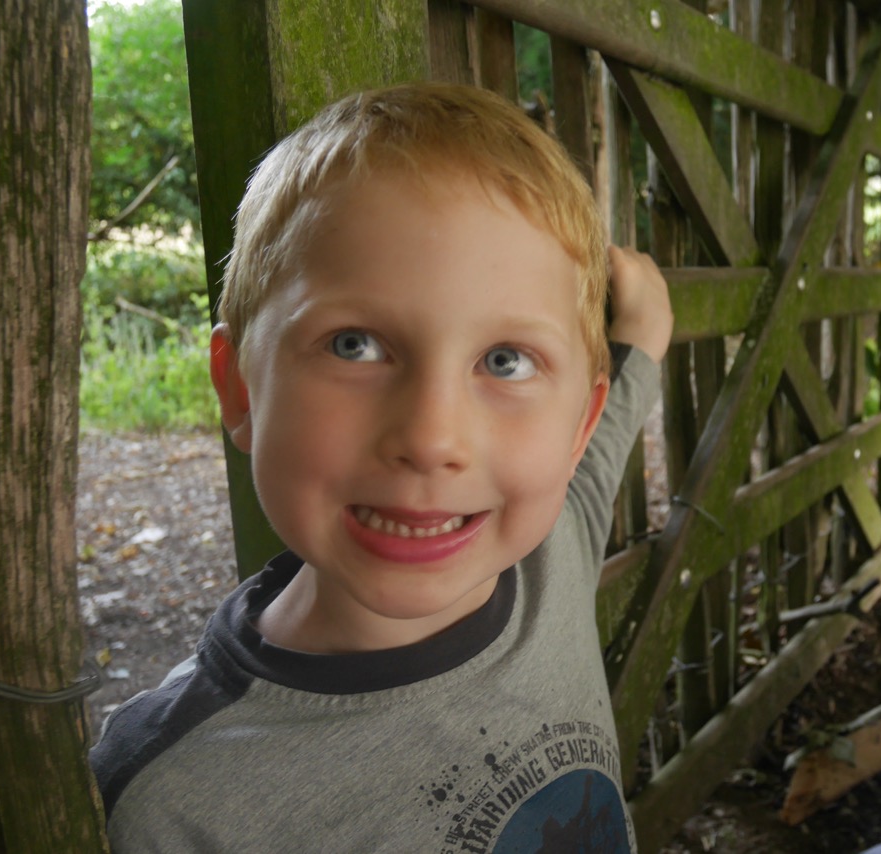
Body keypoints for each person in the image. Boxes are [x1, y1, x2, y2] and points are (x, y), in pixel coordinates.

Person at [88, 82, 673, 852]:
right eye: (354, 345)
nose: (431, 438)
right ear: (240, 390)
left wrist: (643, 329)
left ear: (578, 428)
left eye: (506, 360)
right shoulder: (167, 802)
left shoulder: (554, 548)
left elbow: (617, 411)